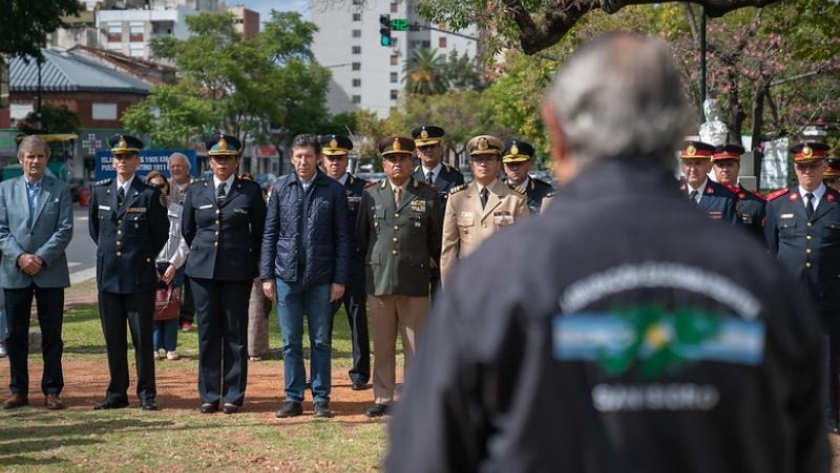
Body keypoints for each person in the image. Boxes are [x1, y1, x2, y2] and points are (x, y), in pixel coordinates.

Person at [386, 33, 829, 472]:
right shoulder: (762, 284)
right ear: (677, 134)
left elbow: (425, 457)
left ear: (557, 131)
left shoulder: (493, 282)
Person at [260, 134, 350, 419]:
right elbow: (270, 234)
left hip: (322, 278)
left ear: (317, 158)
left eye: (308, 156)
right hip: (286, 276)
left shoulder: (333, 191)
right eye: (298, 156)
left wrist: (340, 279)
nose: (302, 161)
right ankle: (293, 397)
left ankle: (321, 398)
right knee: (290, 341)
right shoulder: (280, 188)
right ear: (291, 158)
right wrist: (266, 275)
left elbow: (343, 238)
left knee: (321, 340)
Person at [356, 136, 442, 418]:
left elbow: (435, 238)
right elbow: (362, 236)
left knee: (415, 344)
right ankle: (382, 397)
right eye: (392, 159)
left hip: (414, 279)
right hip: (379, 279)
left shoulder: (427, 195)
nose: (398, 163)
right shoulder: (370, 194)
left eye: (403, 158)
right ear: (383, 163)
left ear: (412, 160)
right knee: (382, 343)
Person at [182, 134, 266, 415]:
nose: (222, 163)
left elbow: (261, 232)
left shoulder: (250, 192)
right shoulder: (196, 190)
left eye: (227, 158)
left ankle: (233, 394)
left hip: (237, 272)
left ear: (235, 160)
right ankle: (209, 395)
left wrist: (250, 263)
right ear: (210, 160)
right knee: (207, 334)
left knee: (235, 334)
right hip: (202, 272)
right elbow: (188, 229)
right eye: (217, 158)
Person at [89, 134, 169, 411]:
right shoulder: (100, 191)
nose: (122, 161)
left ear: (137, 160)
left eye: (128, 156)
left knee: (142, 340)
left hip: (138, 278)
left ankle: (147, 394)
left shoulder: (150, 194)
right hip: (109, 278)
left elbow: (160, 234)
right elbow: (96, 232)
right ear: (112, 161)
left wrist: (142, 258)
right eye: (118, 156)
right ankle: (116, 393)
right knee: (113, 339)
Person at [765, 141, 840, 433]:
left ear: (824, 167)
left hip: (827, 294)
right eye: (801, 167)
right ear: (795, 168)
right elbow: (771, 249)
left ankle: (828, 415)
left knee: (828, 357)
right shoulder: (778, 203)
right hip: (790, 296)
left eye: (813, 166)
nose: (807, 171)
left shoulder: (837, 204)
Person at [0, 135, 73, 410]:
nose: (35, 161)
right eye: (30, 156)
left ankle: (52, 389)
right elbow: (1, 230)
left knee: (52, 334)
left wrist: (39, 258)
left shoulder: (60, 189)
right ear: (21, 160)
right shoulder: (4, 190)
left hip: (49, 271)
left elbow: (65, 229)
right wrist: (20, 257)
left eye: (40, 156)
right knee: (14, 335)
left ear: (46, 159)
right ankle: (18, 389)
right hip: (14, 270)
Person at [439, 135, 528, 285]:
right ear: (471, 165)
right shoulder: (457, 197)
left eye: (489, 159)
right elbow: (449, 248)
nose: (483, 164)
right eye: (478, 160)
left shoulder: (515, 199)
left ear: (499, 164)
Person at [320, 133, 371, 391]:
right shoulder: (316, 188)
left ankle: (360, 373)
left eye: (339, 158)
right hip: (323, 268)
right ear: (322, 159)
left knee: (357, 318)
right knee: (321, 322)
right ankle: (319, 373)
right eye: (330, 158)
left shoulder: (362, 189)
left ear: (347, 159)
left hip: (354, 265)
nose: (335, 163)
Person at [410, 125, 463, 301]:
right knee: (417, 310)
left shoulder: (454, 177)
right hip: (417, 253)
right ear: (417, 151)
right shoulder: (410, 179)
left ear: (441, 149)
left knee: (443, 304)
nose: (429, 151)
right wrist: (423, 251)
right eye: (424, 147)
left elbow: (457, 217)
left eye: (433, 146)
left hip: (445, 250)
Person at [144, 171, 188, 361]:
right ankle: (154, 348)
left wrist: (174, 264)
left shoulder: (179, 210)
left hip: (174, 265)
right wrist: (149, 265)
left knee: (171, 307)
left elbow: (186, 239)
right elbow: (140, 241)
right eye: (153, 186)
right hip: (150, 265)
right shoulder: (142, 210)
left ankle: (170, 347)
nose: (158, 189)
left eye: (161, 185)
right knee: (152, 307)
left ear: (167, 187)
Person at [239, 172, 270, 362]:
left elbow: (264, 233)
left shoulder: (260, 208)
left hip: (256, 260)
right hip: (233, 261)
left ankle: (255, 348)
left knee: (257, 306)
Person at [711, 143, 766, 241]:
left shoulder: (755, 203)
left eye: (730, 165)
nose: (725, 169)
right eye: (720, 165)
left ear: (738, 166)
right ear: (713, 168)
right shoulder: (705, 199)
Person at [168, 152, 196, 332]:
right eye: (173, 166)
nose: (176, 168)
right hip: (172, 244)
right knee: (173, 282)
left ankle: (187, 318)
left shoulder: (197, 186)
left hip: (194, 243)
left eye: (179, 165)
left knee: (192, 284)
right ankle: (172, 315)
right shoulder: (165, 187)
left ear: (187, 168)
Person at [679, 140, 738, 224]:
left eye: (698, 163)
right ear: (682, 167)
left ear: (709, 167)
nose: (693, 169)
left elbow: (733, 233)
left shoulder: (726, 198)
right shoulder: (672, 194)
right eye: (688, 163)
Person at [502, 139, 553, 215]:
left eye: (519, 163)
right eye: (511, 164)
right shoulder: (494, 191)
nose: (515, 168)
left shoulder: (545, 192)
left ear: (529, 165)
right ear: (504, 167)